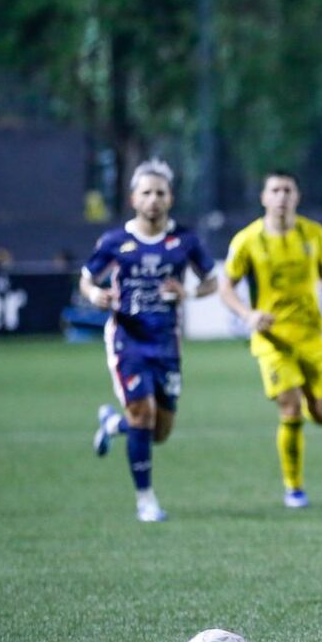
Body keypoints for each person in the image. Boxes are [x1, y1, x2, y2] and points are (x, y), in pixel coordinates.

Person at [83, 158, 218, 522]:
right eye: (146, 193)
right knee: (143, 413)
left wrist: (188, 293)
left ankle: (115, 425)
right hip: (128, 339)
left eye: (160, 193)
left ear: (170, 198)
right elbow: (87, 278)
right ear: (133, 199)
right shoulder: (115, 242)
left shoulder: (185, 241)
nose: (153, 200)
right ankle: (146, 500)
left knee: (159, 431)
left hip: (167, 343)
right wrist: (94, 295)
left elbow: (212, 281)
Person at [218, 171, 322, 509]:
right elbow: (225, 287)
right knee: (290, 407)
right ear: (263, 197)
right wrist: (248, 315)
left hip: (313, 337)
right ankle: (294, 488)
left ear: (297, 196)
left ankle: (308, 398)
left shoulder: (314, 233)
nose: (281, 196)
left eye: (287, 190)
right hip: (272, 340)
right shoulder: (247, 241)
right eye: (275, 190)